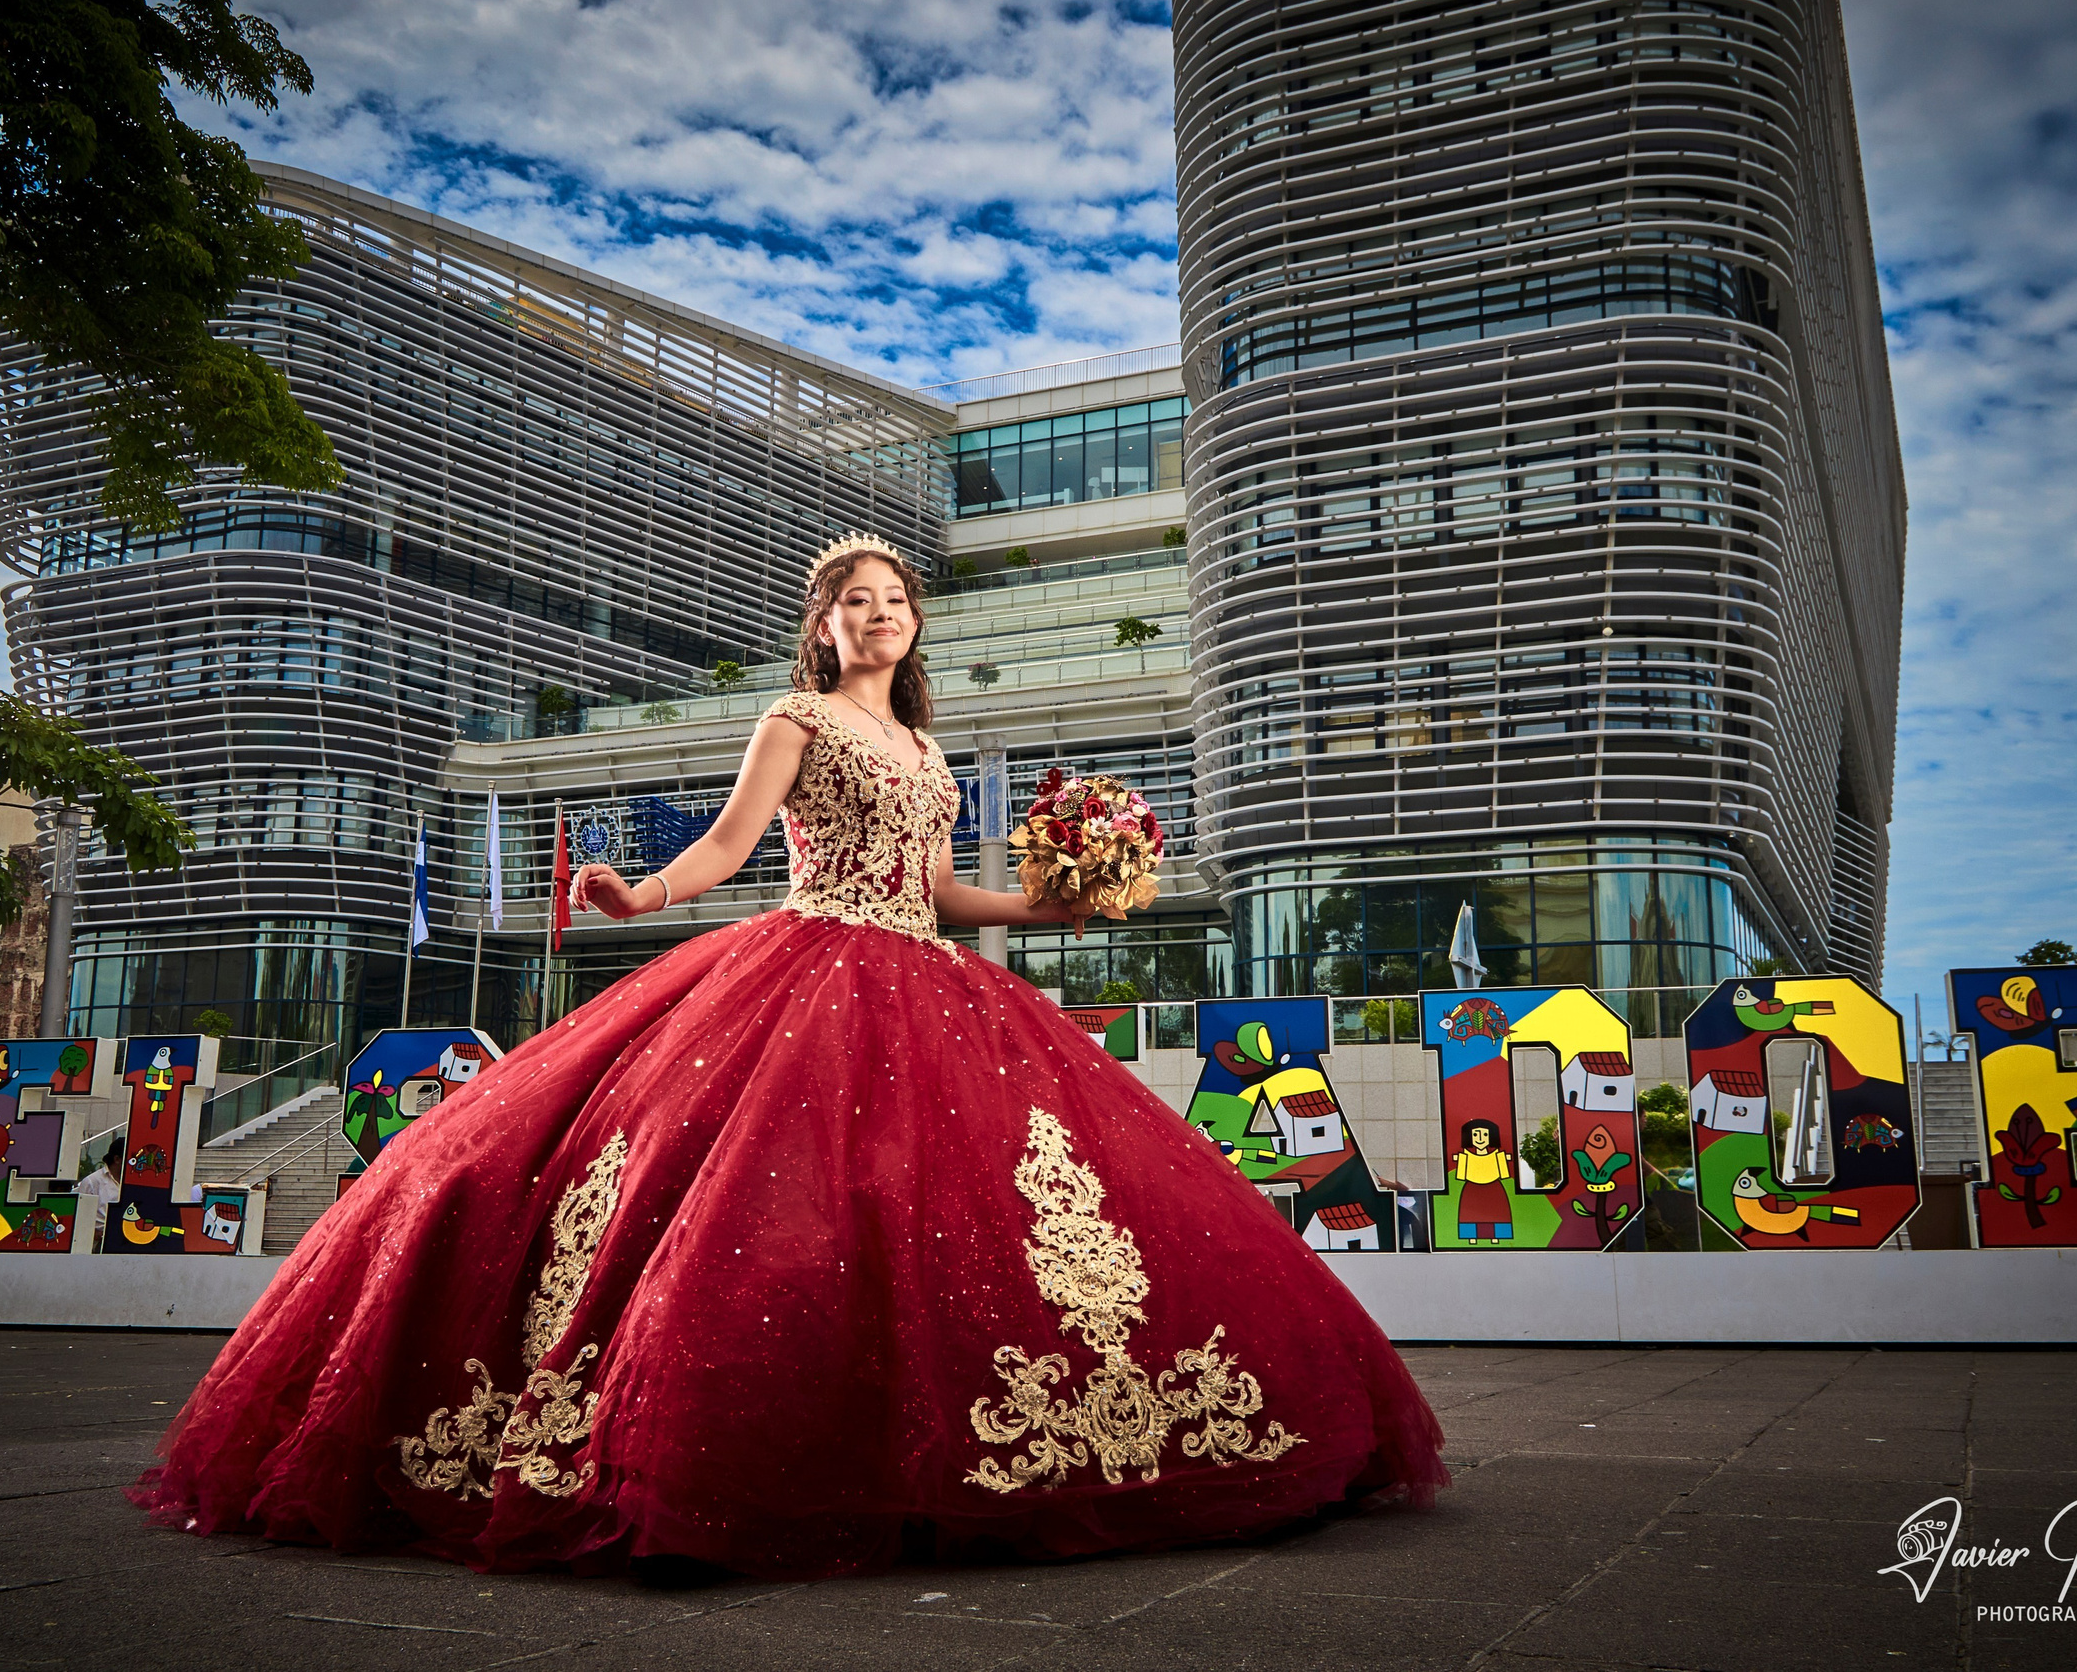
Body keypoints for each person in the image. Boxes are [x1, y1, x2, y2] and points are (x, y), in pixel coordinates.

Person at [131, 535, 1444, 1579]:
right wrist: (641, 897)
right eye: (858, 600)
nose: (882, 615)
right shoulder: (795, 719)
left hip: (928, 977)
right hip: (806, 964)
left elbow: (939, 890)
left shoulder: (928, 748)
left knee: (1005, 1215)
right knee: (755, 1200)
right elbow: (725, 845)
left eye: (896, 600)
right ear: (822, 622)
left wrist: (1058, 906)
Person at [77, 1135, 124, 1253]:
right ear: (117, 1159)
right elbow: (80, 1215)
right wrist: (93, 1232)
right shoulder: (92, 1181)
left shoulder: (133, 1182)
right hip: (101, 1242)